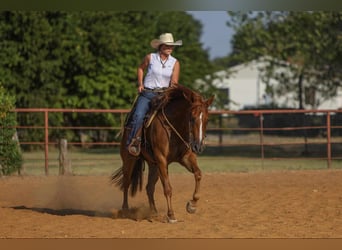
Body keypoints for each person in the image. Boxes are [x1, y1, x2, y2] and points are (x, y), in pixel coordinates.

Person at [126, 33, 182, 156]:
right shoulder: (150, 57)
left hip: (164, 95)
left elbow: (174, 82)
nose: (170, 48)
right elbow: (141, 68)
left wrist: (171, 91)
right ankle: (133, 142)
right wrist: (140, 83)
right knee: (138, 115)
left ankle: (179, 145)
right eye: (167, 45)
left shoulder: (175, 63)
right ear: (160, 46)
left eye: (171, 46)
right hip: (147, 93)